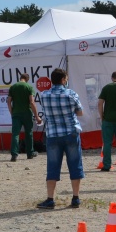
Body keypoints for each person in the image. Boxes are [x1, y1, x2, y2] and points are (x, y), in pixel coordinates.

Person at [35, 68, 84, 209]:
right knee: (75, 164)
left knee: (52, 166)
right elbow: (80, 112)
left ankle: (50, 199)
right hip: (70, 133)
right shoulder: (71, 94)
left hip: (53, 134)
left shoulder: (44, 95)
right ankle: (75, 198)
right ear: (63, 80)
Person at [7, 73, 39, 162]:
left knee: (15, 134)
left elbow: (8, 101)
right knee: (28, 133)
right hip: (27, 113)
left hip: (16, 113)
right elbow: (32, 102)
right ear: (27, 79)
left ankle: (14, 154)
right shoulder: (29, 87)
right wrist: (36, 116)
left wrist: (11, 112)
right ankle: (30, 153)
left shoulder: (13, 87)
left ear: (20, 78)